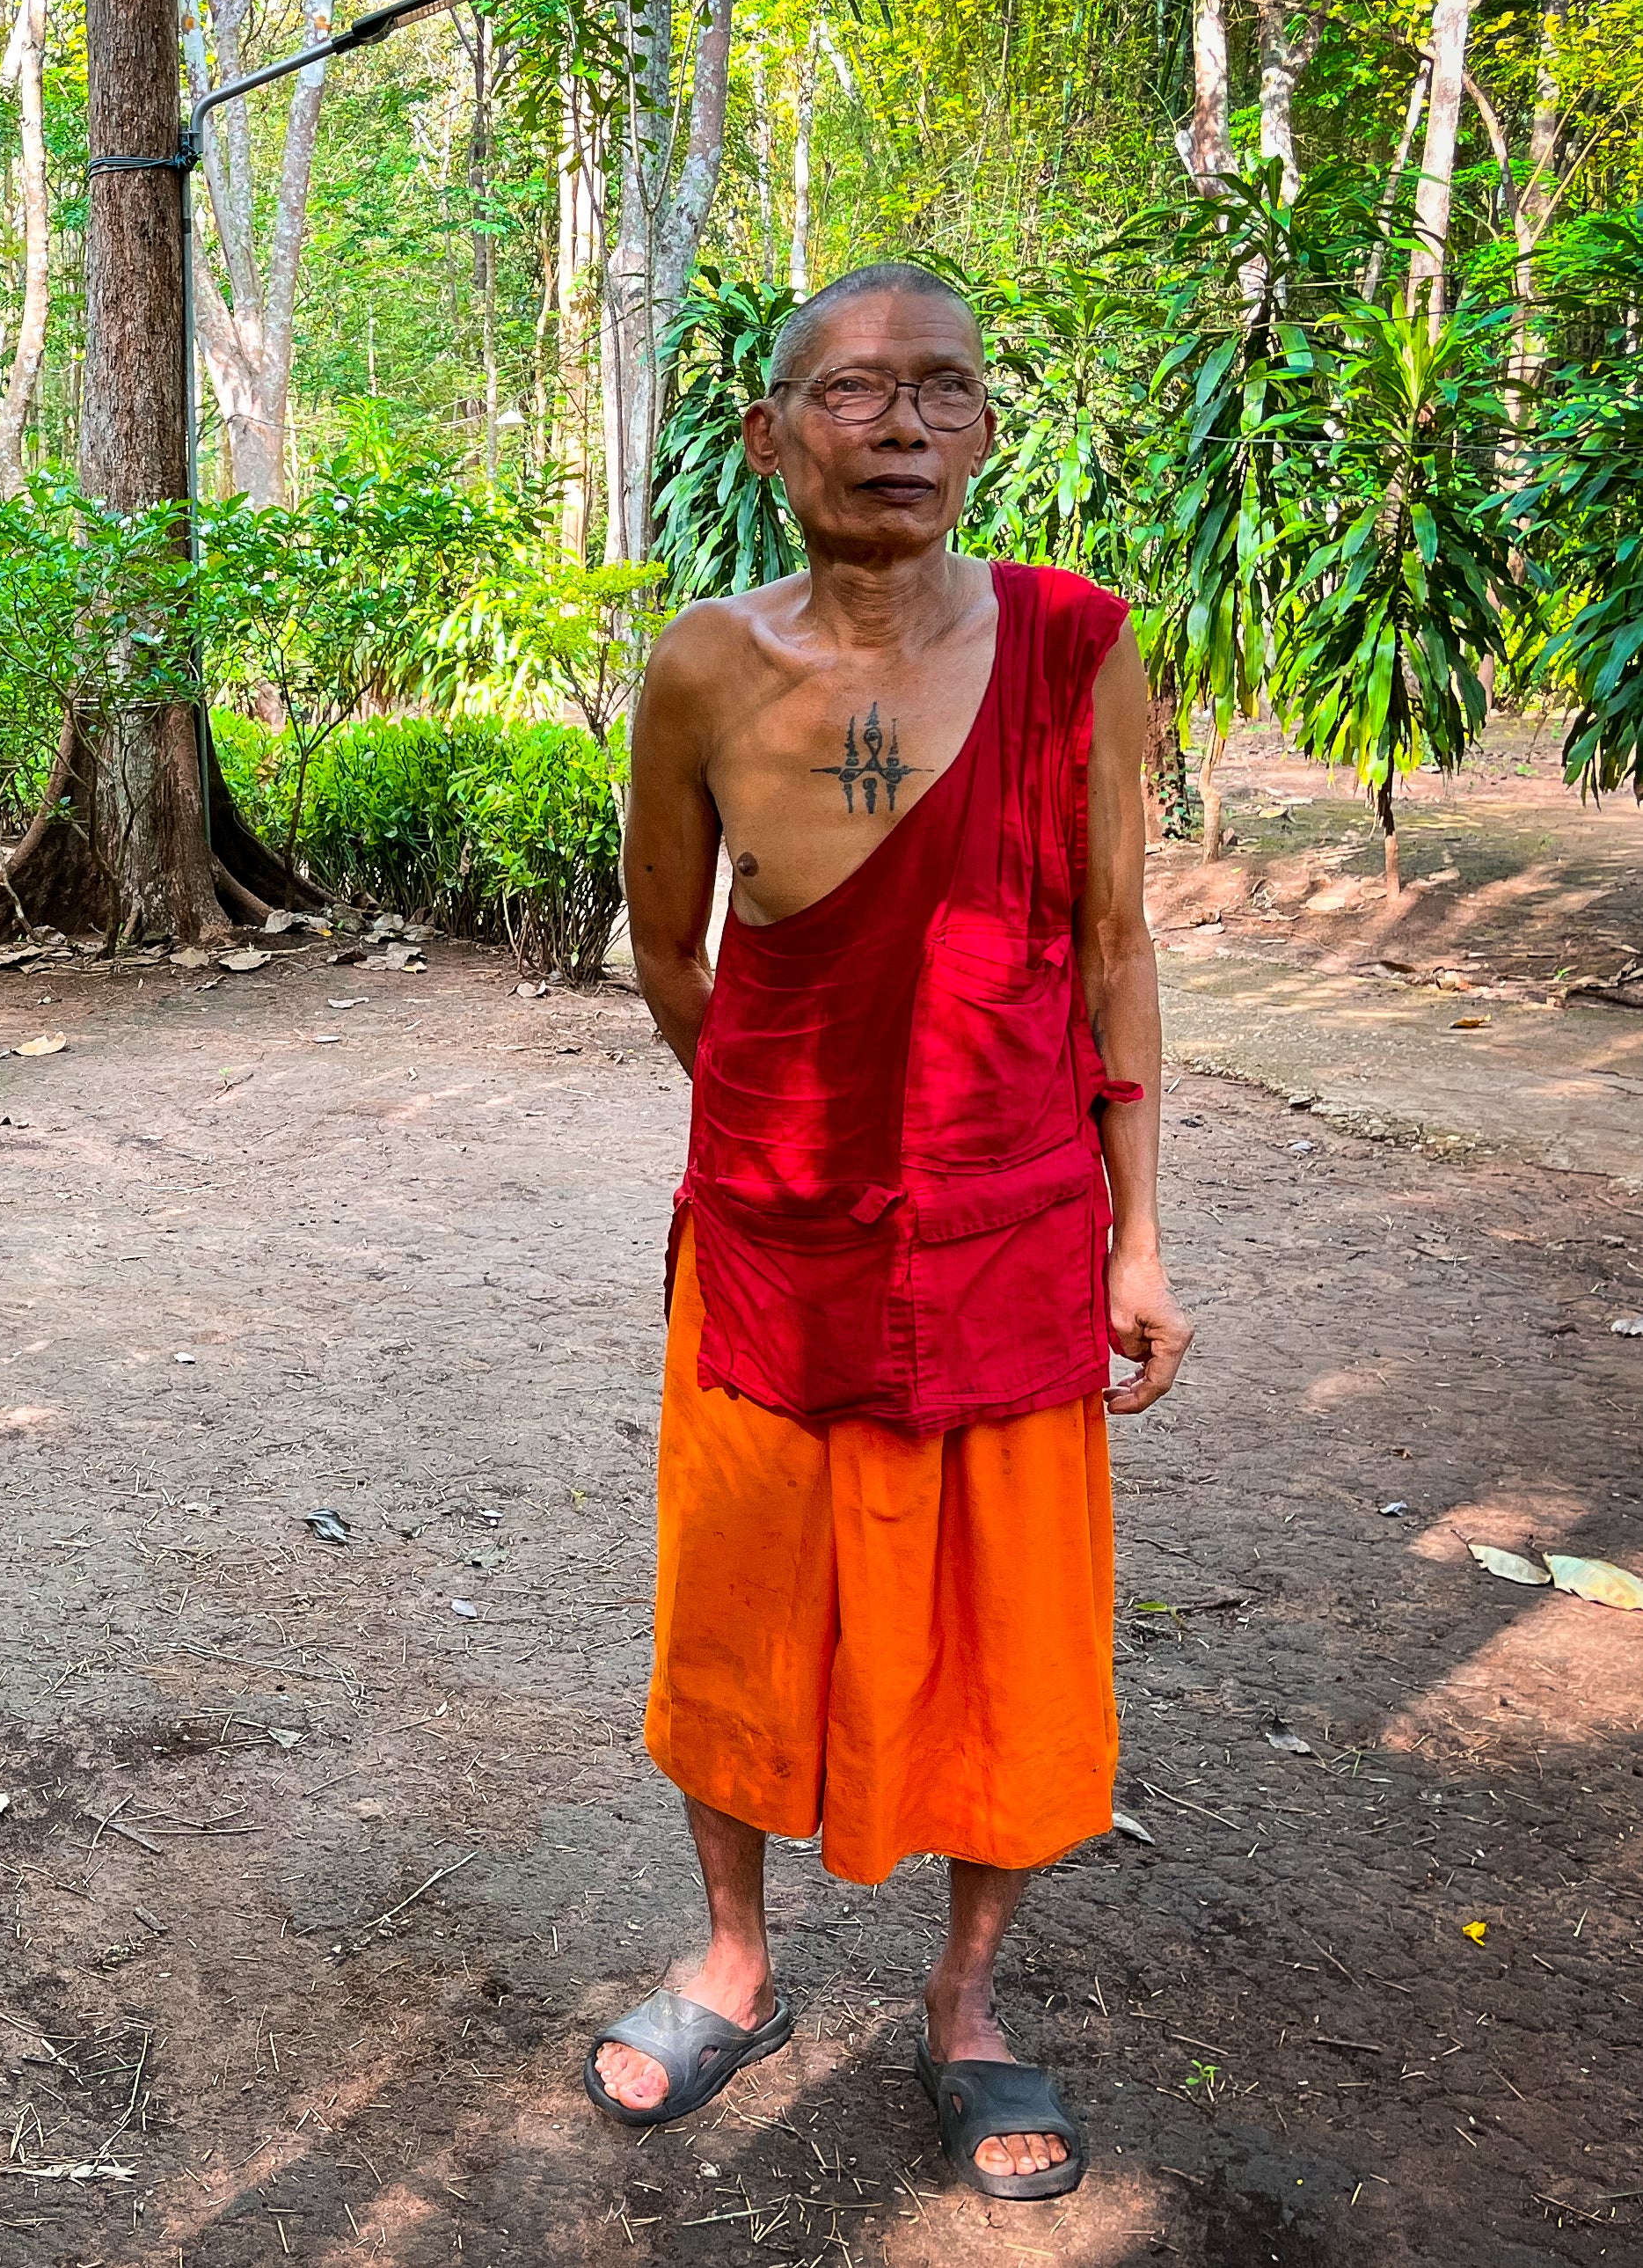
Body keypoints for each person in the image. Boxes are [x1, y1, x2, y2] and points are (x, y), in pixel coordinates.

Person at [586, 261, 1194, 2202]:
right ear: (765, 438)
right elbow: (668, 956)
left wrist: (1134, 1235)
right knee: (736, 1607)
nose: (901, 427)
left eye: (942, 390)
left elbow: (1110, 948)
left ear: (987, 433)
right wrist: (783, 1113)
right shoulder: (698, 663)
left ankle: (965, 1998)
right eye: (851, 393)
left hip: (1011, 1231)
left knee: (1005, 1639)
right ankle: (735, 1960)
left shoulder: (1074, 650)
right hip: (772, 1230)